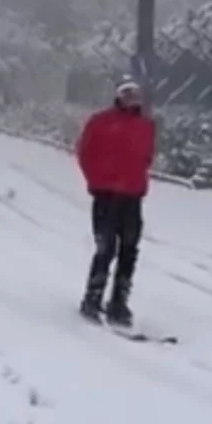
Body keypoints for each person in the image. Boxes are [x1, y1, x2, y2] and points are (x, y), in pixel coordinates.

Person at [75, 77, 155, 327]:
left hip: (132, 196)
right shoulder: (101, 122)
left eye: (135, 94)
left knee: (129, 249)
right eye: (127, 94)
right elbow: (85, 153)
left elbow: (146, 157)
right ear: (118, 97)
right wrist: (96, 180)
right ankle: (93, 297)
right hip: (106, 195)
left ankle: (119, 303)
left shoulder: (145, 125)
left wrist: (138, 178)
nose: (132, 99)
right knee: (106, 247)